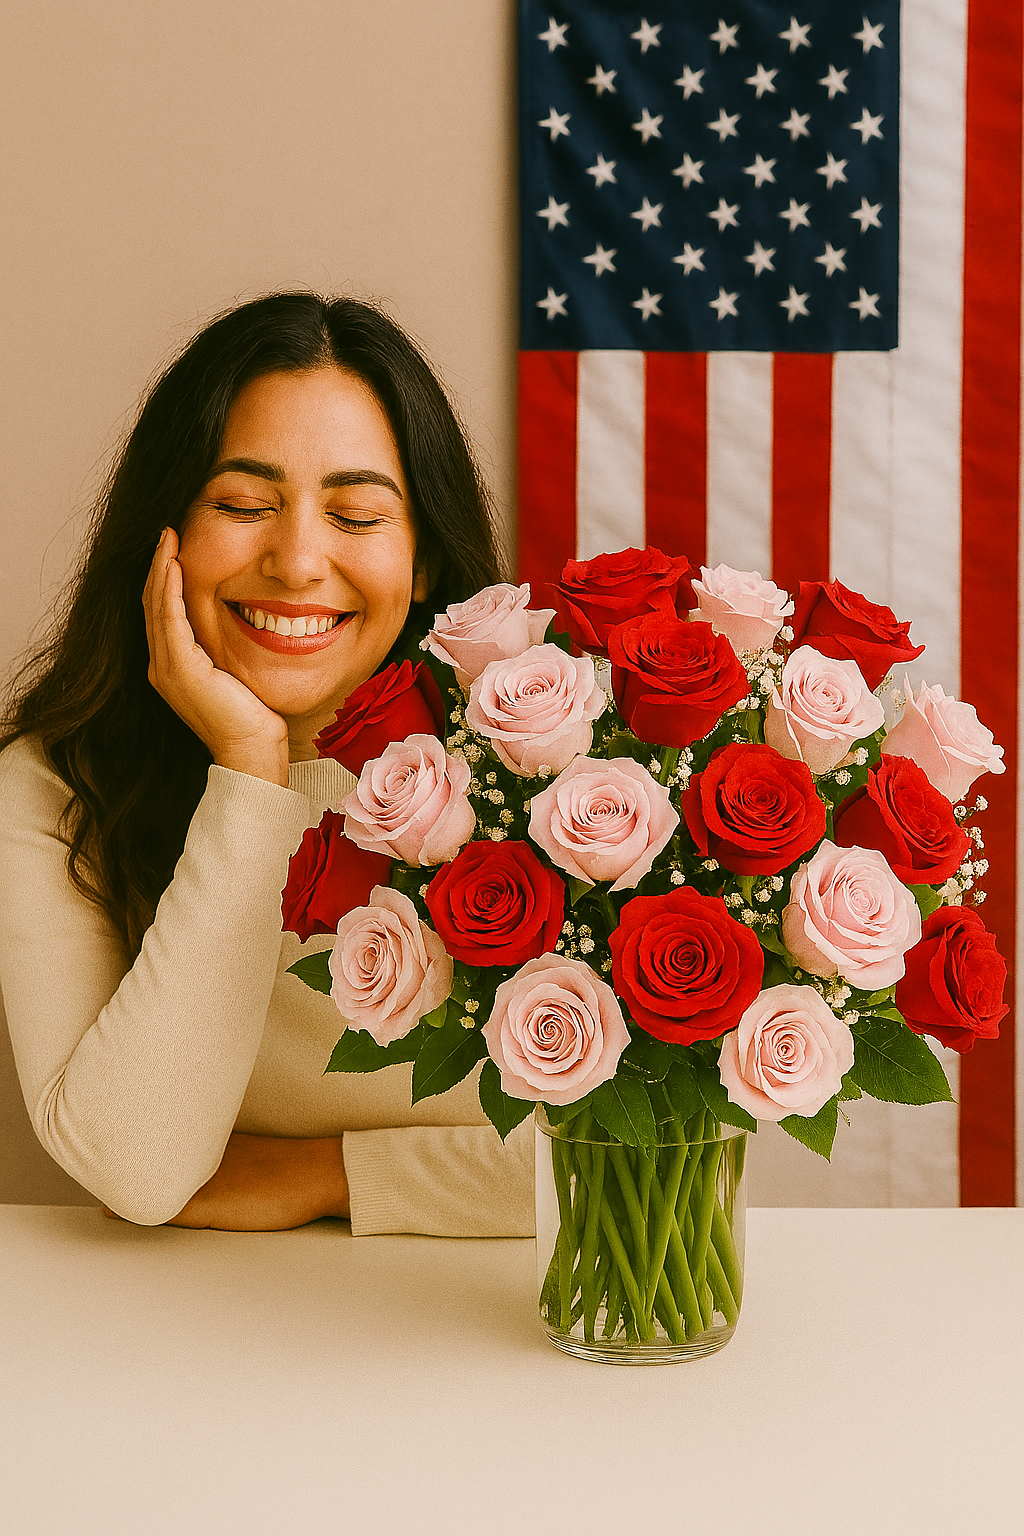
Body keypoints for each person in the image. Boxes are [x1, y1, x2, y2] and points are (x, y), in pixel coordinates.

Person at [0, 292, 534, 1234]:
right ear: (163, 535)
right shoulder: (52, 784)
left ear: (426, 565)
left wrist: (330, 1176)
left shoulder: (553, 767)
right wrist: (249, 772)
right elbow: (136, 1165)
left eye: (358, 516)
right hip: (185, 1335)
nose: (296, 562)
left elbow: (668, 1148)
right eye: (242, 504)